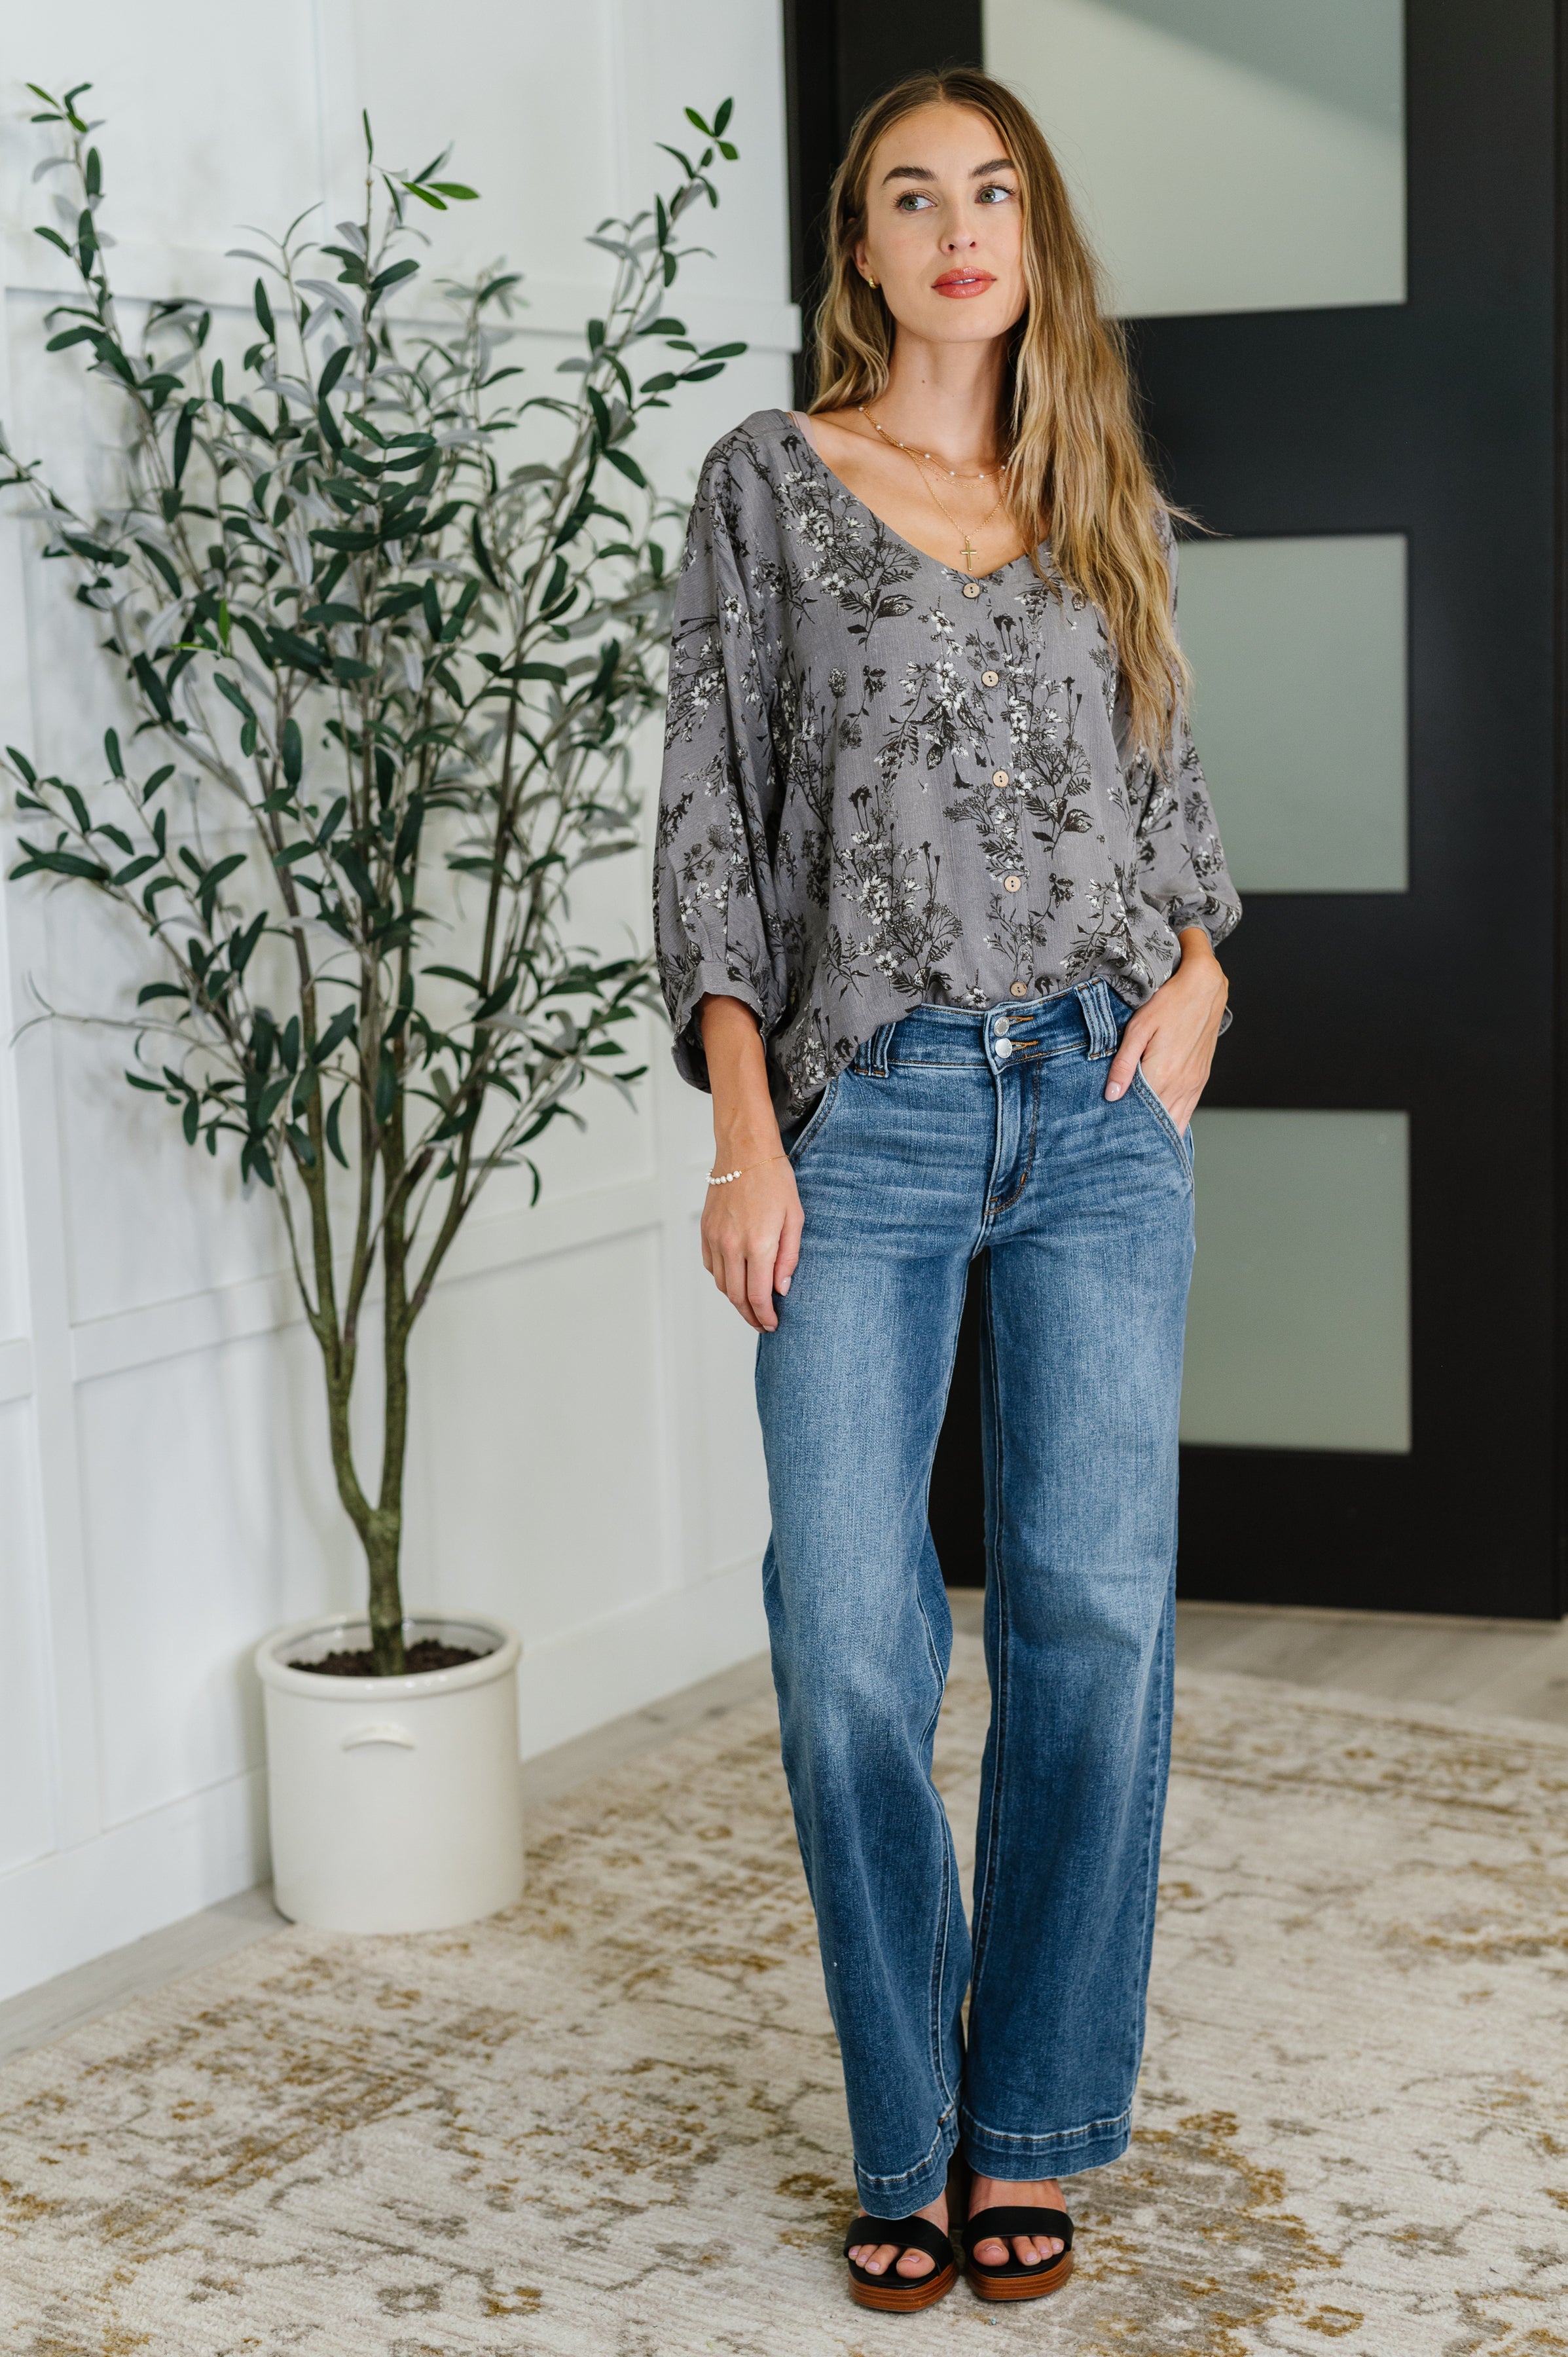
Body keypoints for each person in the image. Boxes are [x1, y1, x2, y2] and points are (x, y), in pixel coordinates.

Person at [652, 67, 1239, 2314]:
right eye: (914, 196)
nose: (957, 227)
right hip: (864, 1112)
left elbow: (1174, 809)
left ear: (1029, 237)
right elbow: (713, 821)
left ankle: (1029, 2129)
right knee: (848, 1645)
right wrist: (739, 1124)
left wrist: (1198, 990)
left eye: (992, 191)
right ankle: (901, 2123)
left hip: (1096, 1110)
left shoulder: (1099, 492)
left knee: (1092, 1614)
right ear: (864, 251)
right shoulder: (770, 490)